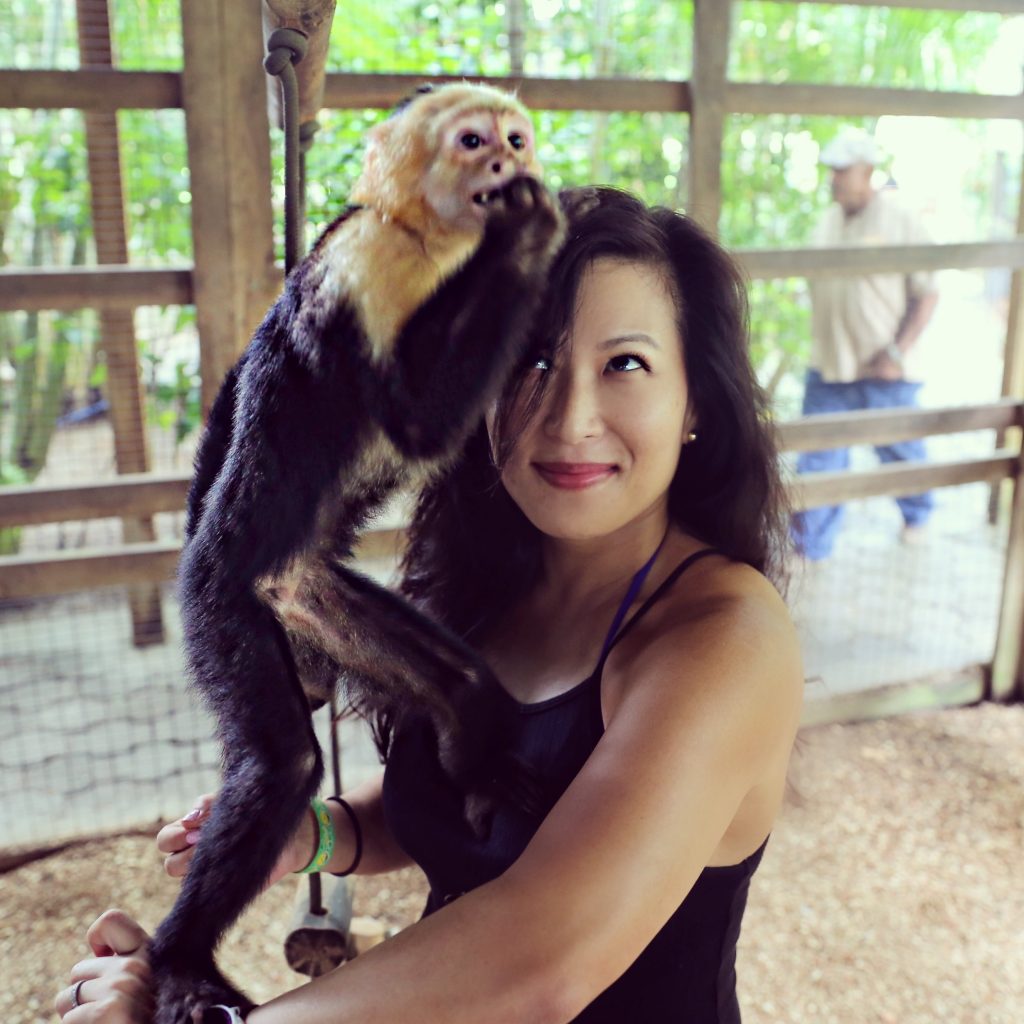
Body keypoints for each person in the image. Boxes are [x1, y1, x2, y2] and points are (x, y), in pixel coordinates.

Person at [55, 187, 803, 1024]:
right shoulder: (488, 588)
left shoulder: (725, 641)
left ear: (696, 400)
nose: (569, 417)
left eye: (624, 364)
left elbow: (536, 959)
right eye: (530, 359)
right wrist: (317, 836)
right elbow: (473, 808)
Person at [790, 131, 940, 562]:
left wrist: (897, 351)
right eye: (832, 171)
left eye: (843, 171)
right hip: (830, 366)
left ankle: (918, 516)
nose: (834, 179)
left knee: (900, 452)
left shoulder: (900, 220)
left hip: (884, 370)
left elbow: (928, 292)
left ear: (867, 172)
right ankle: (808, 549)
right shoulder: (827, 220)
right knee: (818, 460)